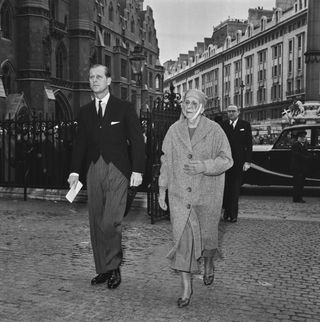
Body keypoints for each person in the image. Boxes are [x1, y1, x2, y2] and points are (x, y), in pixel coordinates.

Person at [67, 64, 145, 289]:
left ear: (109, 81)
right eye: (91, 77)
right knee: (96, 221)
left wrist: (137, 170)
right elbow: (80, 144)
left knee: (111, 221)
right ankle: (103, 268)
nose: (94, 80)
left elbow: (137, 141)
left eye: (99, 77)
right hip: (93, 170)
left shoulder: (124, 108)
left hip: (118, 170)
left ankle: (114, 267)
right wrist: (74, 172)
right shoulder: (84, 112)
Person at [158, 89, 233, 308]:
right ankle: (186, 287)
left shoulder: (215, 130)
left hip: (207, 194)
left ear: (201, 105)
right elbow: (166, 161)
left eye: (192, 102)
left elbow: (227, 159)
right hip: (180, 195)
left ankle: (209, 261)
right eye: (185, 102)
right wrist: (162, 188)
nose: (187, 106)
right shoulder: (174, 130)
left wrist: (205, 166)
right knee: (182, 241)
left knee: (208, 238)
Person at [221, 104, 252, 223]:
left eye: (233, 111)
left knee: (235, 190)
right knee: (226, 189)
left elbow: (249, 144)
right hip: (225, 163)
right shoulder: (222, 125)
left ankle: (233, 214)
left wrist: (248, 161)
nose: (231, 113)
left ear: (238, 112)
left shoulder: (245, 125)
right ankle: (226, 212)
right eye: (229, 111)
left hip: (239, 163)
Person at [290, 130, 311, 203]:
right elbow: (296, 155)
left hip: (302, 167)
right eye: (301, 137)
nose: (303, 138)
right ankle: (296, 198)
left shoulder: (304, 145)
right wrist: (306, 158)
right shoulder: (295, 145)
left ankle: (299, 197)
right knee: (297, 183)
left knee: (301, 183)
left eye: (304, 137)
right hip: (297, 167)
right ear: (298, 138)